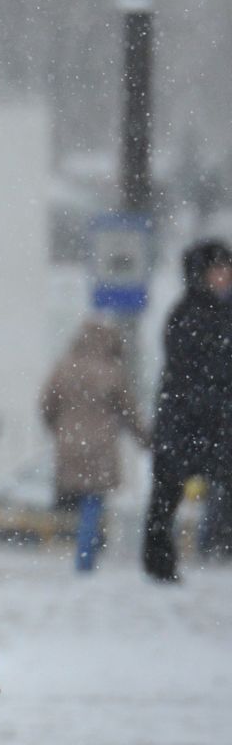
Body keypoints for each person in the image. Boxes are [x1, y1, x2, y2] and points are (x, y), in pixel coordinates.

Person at [142, 239, 232, 581]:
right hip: (186, 420)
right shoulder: (187, 314)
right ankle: (159, 563)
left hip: (216, 421)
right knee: (166, 495)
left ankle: (216, 548)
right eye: (219, 269)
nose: (225, 276)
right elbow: (188, 371)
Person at [41, 319, 148, 572]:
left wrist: (59, 429)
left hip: (69, 442)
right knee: (93, 500)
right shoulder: (111, 370)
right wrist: (145, 437)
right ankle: (86, 555)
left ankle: (83, 548)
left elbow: (46, 404)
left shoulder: (65, 366)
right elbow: (129, 410)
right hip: (100, 446)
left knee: (79, 499)